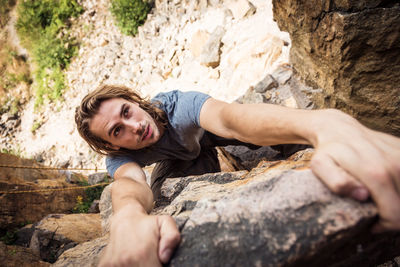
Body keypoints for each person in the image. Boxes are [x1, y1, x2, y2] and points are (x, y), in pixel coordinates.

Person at [75, 84, 400, 267]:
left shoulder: (178, 106)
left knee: (269, 131)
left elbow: (232, 119)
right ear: (109, 144)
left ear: (134, 102)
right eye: (119, 130)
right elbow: (131, 184)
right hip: (181, 162)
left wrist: (325, 124)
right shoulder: (121, 158)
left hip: (209, 133)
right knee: (163, 196)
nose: (135, 126)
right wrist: (128, 218)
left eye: (127, 112)